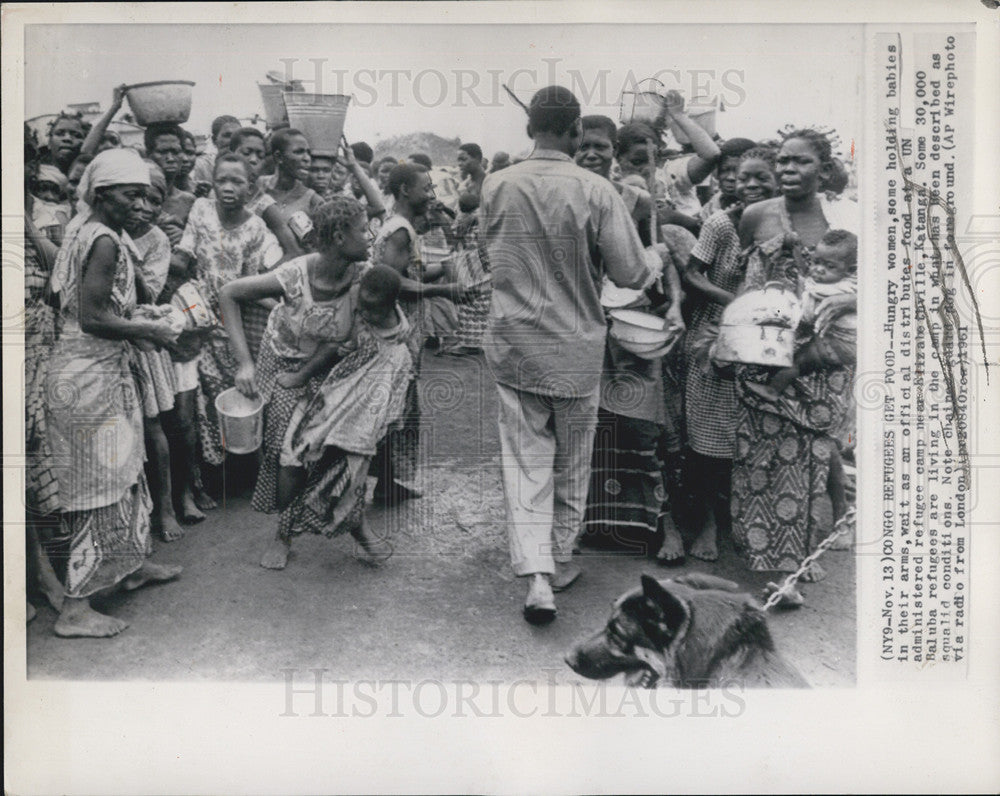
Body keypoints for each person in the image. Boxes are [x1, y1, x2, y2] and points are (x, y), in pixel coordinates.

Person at [479, 86, 657, 624]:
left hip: (515, 344)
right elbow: (630, 274)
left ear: (529, 128)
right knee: (572, 463)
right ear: (576, 130)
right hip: (576, 349)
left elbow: (490, 253)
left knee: (525, 462)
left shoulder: (496, 184)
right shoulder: (596, 189)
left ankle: (536, 578)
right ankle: (557, 560)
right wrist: (651, 252)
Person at [221, 202, 411, 568]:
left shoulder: (364, 275)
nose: (371, 236)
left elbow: (378, 320)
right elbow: (229, 293)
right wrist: (243, 362)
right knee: (289, 456)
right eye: (362, 229)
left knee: (342, 454)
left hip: (336, 369)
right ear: (339, 237)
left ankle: (356, 525)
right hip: (284, 366)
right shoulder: (294, 276)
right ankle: (284, 534)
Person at [44, 148, 182, 637]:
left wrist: (140, 324)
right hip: (87, 380)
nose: (139, 204)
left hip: (95, 372)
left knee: (124, 471)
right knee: (93, 487)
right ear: (102, 194)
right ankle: (76, 609)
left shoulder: (91, 231)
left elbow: (81, 307)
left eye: (144, 195)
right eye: (130, 194)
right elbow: (93, 317)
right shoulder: (100, 239)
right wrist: (152, 332)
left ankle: (130, 565)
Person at [730, 129, 858, 587]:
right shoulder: (755, 215)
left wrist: (847, 302)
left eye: (800, 162)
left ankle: (800, 553)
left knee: (810, 458)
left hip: (822, 360)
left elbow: (884, 284)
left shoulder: (846, 221)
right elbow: (744, 279)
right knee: (760, 458)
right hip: (764, 354)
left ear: (823, 170)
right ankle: (768, 557)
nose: (787, 170)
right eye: (782, 161)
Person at [572, 115, 686, 564]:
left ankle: (666, 527)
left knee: (646, 428)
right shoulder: (562, 196)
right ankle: (587, 520)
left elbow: (664, 261)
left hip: (633, 324)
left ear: (614, 154)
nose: (593, 154)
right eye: (584, 147)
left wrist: (674, 304)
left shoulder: (635, 200)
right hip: (581, 326)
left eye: (601, 146)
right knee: (588, 429)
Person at [681, 146, 779, 561]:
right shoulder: (720, 224)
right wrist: (734, 300)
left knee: (750, 436)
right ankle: (704, 523)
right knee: (704, 437)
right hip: (711, 336)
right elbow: (691, 274)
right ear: (732, 182)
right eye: (744, 177)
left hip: (760, 344)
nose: (752, 185)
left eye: (762, 178)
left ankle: (739, 518)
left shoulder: (780, 229)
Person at [169, 152, 270, 472]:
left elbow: (248, 280)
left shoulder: (256, 226)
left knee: (236, 386)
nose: (228, 187)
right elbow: (184, 253)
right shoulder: (200, 209)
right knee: (203, 390)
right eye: (221, 180)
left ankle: (243, 461)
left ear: (250, 187)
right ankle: (213, 466)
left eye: (237, 181)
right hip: (197, 312)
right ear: (212, 183)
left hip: (234, 315)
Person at [371, 162, 466, 501]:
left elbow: (412, 272)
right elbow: (391, 282)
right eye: (425, 188)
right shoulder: (400, 230)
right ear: (404, 191)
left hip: (404, 325)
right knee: (396, 406)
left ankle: (387, 482)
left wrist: (449, 269)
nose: (431, 195)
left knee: (400, 405)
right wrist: (443, 291)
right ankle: (381, 483)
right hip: (398, 328)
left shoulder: (400, 226)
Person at [124, 163, 185, 542]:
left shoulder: (157, 240)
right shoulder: (104, 229)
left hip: (144, 337)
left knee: (155, 426)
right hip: (114, 337)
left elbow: (148, 292)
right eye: (137, 196)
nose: (143, 206)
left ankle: (165, 506)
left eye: (153, 199)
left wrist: (126, 254)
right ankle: (133, 519)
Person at [259, 128, 325, 226]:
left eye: (308, 153)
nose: (307, 158)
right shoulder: (258, 186)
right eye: (299, 152)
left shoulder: (314, 201)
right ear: (279, 157)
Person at [145, 123, 196, 239]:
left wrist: (184, 237)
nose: (170, 158)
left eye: (175, 152)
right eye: (162, 152)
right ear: (149, 154)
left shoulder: (188, 201)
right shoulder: (138, 198)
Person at [698, 137, 757, 221]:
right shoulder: (712, 205)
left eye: (738, 171)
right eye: (725, 170)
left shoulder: (760, 207)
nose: (730, 177)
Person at [190, 114, 241, 189]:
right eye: (227, 135)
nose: (233, 140)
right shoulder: (202, 166)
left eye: (238, 135)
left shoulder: (250, 164)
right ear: (214, 140)